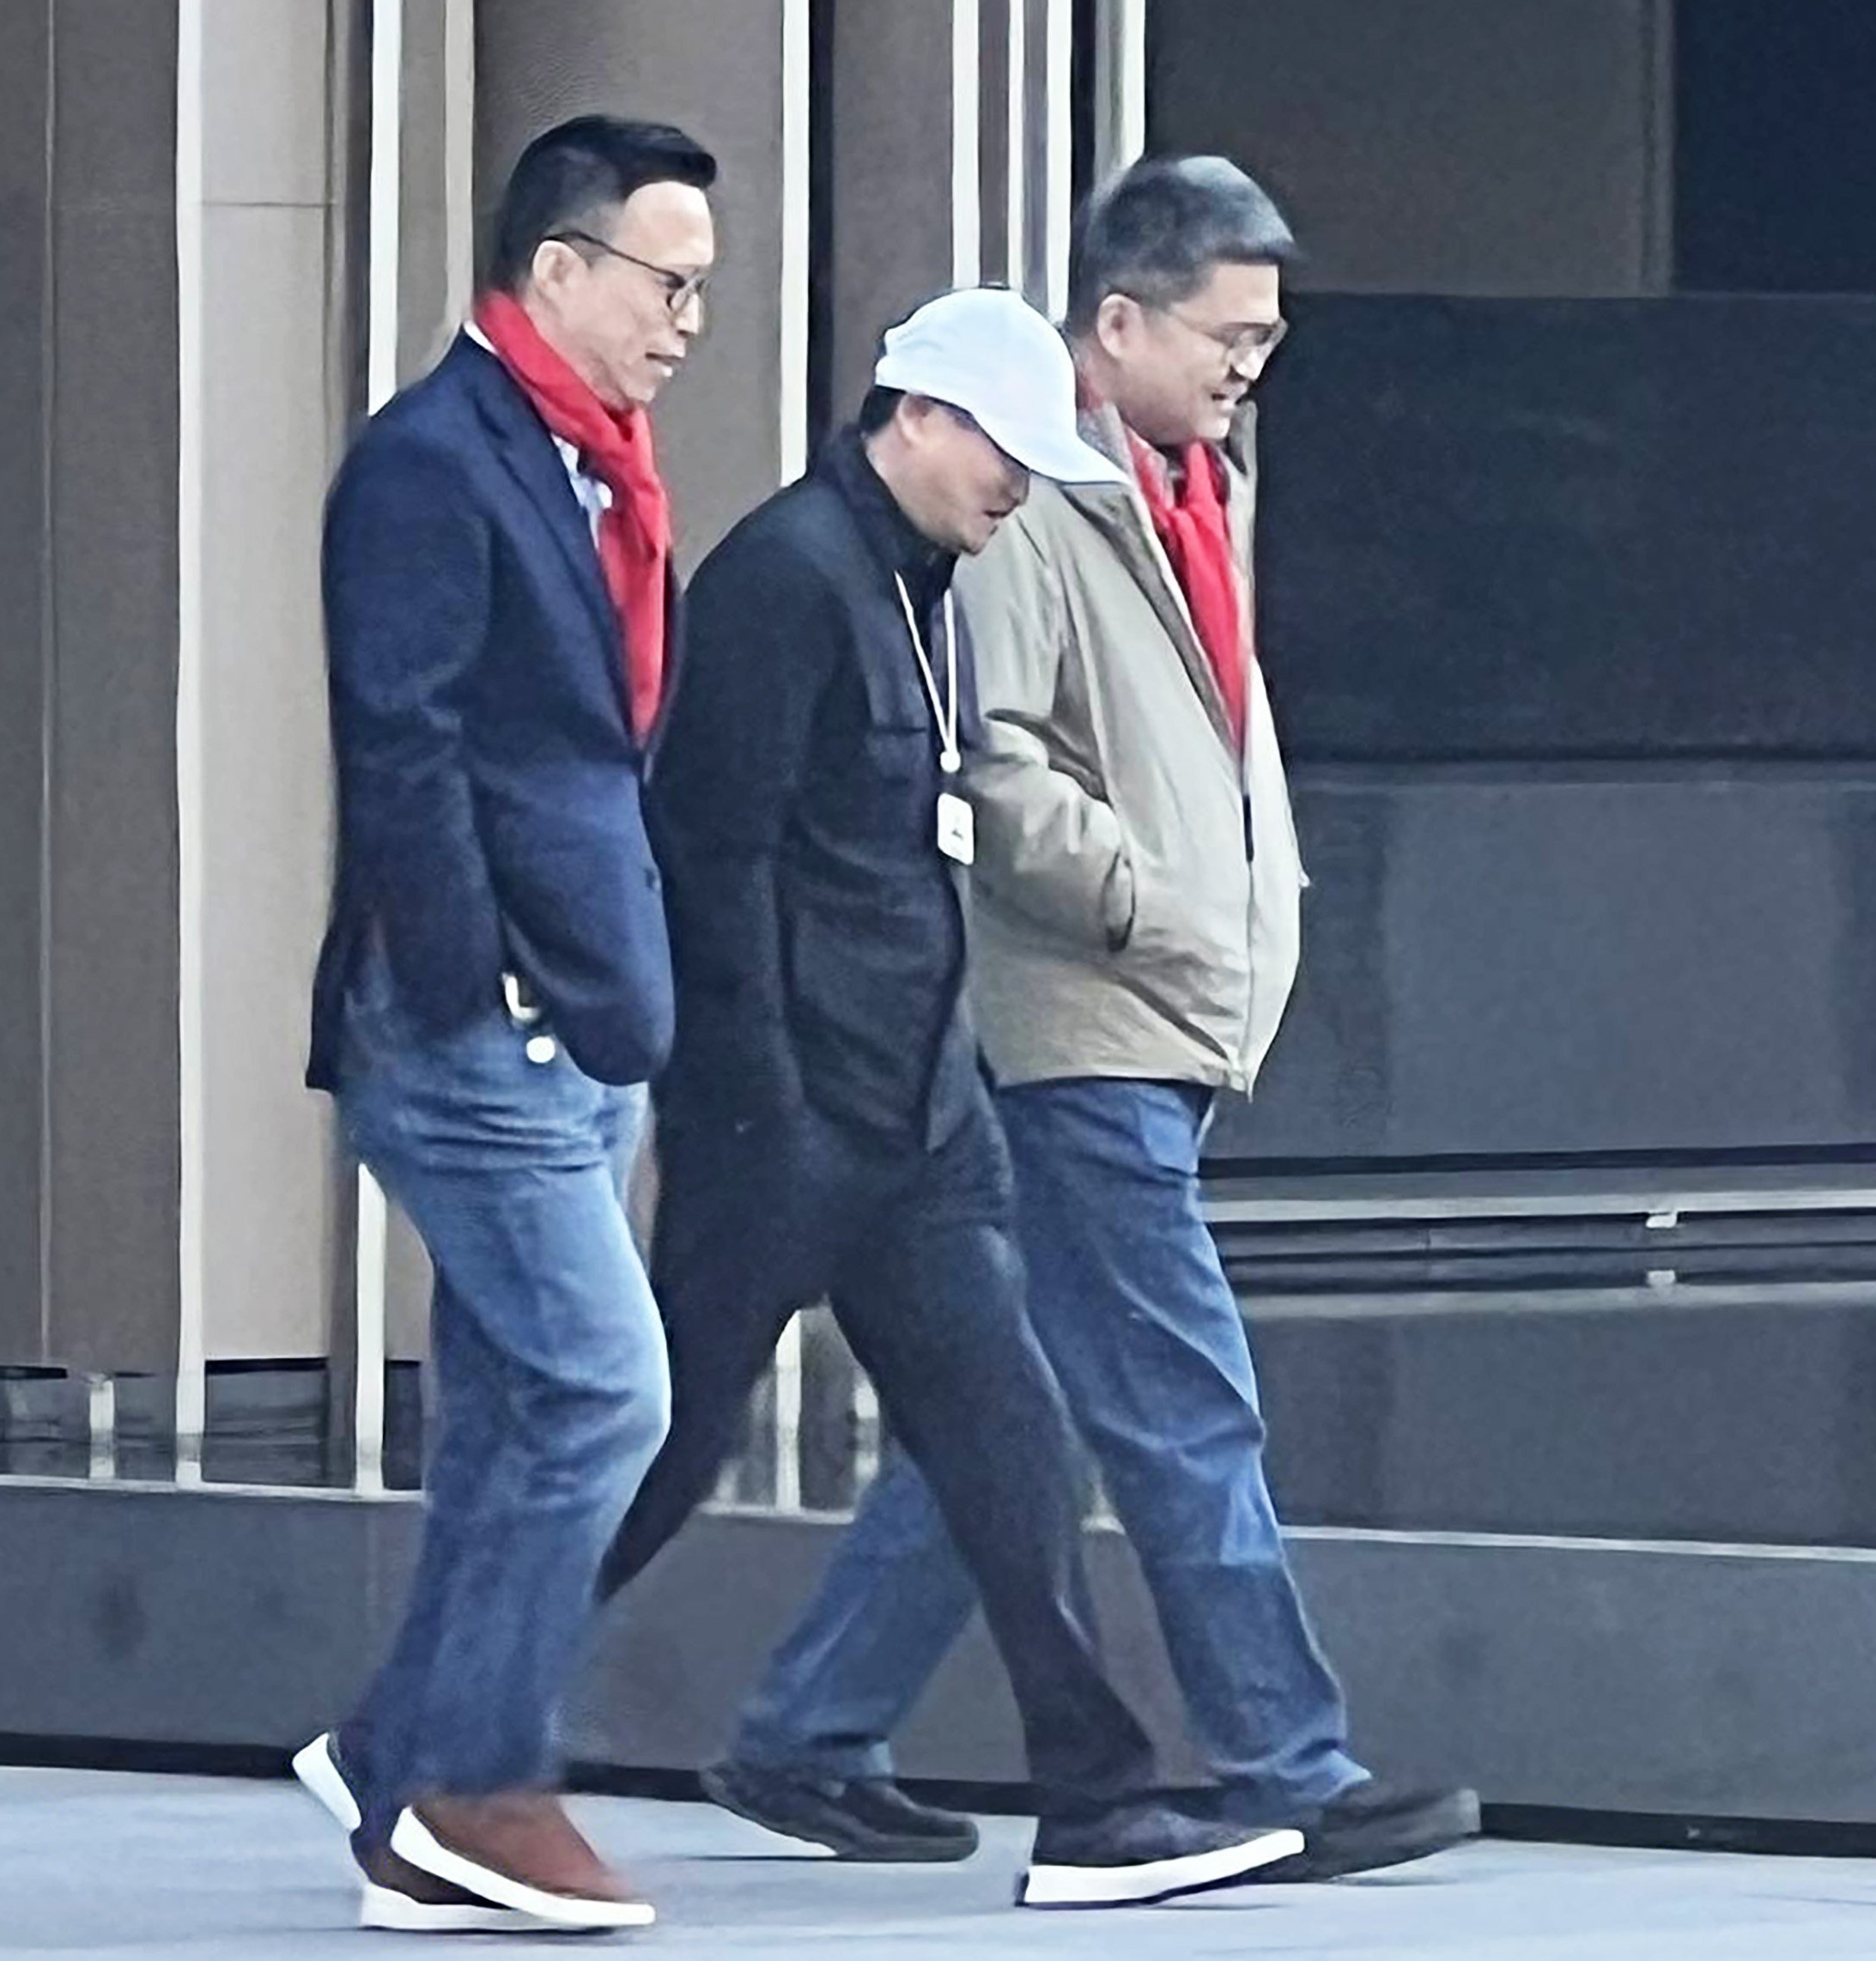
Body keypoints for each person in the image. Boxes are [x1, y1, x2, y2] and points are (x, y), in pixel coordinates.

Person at [708, 157, 1479, 1882]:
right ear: (1114, 321)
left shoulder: (1201, 483)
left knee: (1018, 1418)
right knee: (1183, 1397)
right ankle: (1288, 1755)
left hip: (1163, 1016)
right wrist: (1158, 904)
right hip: (1076, 1031)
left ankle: (806, 1728)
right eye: (1227, 335)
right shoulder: (1033, 499)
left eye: (1268, 343)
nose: (1247, 369)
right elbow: (999, 766)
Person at [594, 287, 1304, 1910]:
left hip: (912, 1115)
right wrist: (759, 1102)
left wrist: (925, 1092)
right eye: (1000, 452)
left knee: (1011, 1442)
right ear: (915, 416)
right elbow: (715, 860)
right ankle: (422, 1728)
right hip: (791, 1119)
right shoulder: (789, 578)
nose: (1017, 490)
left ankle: (1101, 1805)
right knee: (665, 1443)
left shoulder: (919, 580)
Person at [285, 113, 719, 1936]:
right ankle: (471, 1782)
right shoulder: (433, 465)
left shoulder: (587, 460)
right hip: (474, 1028)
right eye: (667, 281)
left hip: (573, 1026)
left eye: (705, 287)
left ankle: (407, 1751)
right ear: (558, 269)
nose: (689, 319)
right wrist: (494, 990)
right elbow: (407, 745)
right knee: (608, 1388)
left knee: (515, 1411)